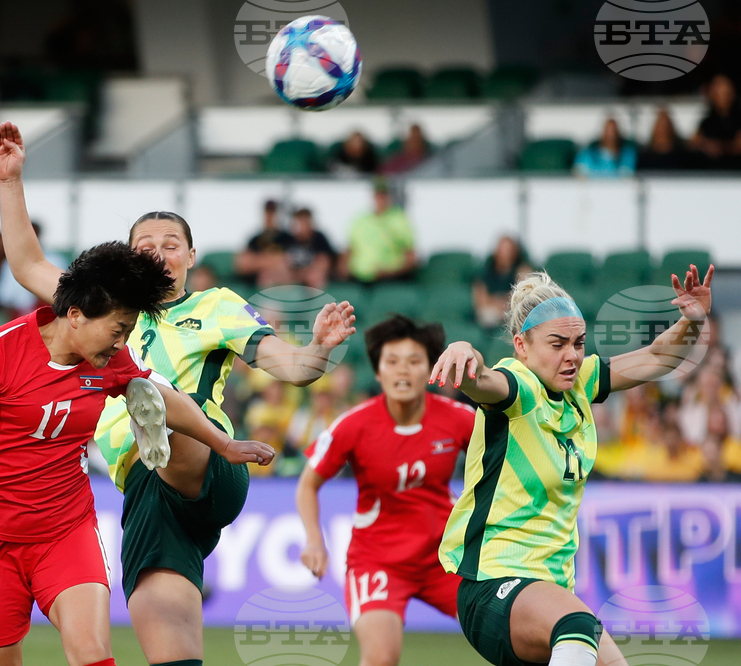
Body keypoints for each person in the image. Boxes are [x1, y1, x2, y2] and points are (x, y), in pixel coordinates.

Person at [0, 120, 355, 666]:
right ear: (129, 257)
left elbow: (293, 367)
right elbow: (25, 264)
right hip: (144, 489)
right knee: (160, 624)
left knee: (154, 404)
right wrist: (11, 179)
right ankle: (151, 417)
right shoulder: (97, 308)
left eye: (171, 245)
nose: (159, 253)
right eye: (146, 245)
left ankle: (156, 413)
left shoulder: (217, 307)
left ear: (190, 256)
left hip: (210, 464)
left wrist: (318, 351)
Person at [0, 239, 275, 666]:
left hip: (66, 530)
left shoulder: (109, 361)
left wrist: (223, 443)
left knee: (92, 653)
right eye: (118, 329)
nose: (122, 341)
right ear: (76, 315)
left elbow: (166, 397)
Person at [432, 263, 714, 666]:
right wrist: (465, 350)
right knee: (577, 624)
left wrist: (691, 320)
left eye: (579, 343)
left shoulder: (581, 382)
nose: (572, 355)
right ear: (522, 346)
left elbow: (657, 356)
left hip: (549, 588)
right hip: (493, 582)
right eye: (557, 343)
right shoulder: (518, 386)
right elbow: (482, 381)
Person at [298, 315, 475, 666]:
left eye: (414, 361)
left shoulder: (460, 418)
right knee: (380, 658)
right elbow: (308, 485)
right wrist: (314, 540)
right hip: (378, 562)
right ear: (378, 373)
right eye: (391, 362)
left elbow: (501, 465)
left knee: (510, 633)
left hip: (446, 558)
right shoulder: (354, 425)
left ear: (430, 370)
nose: (402, 371)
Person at [340, 179, 418, 283]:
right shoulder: (360, 220)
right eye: (378, 195)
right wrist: (343, 269)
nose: (380, 199)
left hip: (389, 278)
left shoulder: (400, 219)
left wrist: (391, 272)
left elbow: (410, 255)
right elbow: (350, 249)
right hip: (359, 277)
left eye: (384, 195)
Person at [689, 74, 741, 167]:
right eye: (718, 91)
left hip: (736, 168)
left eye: (725, 91)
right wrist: (707, 146)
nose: (722, 95)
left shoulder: (740, 117)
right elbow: (693, 143)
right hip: (711, 170)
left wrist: (722, 148)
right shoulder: (708, 119)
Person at [473, 235, 532, 328]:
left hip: (514, 310)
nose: (505, 253)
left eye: (508, 250)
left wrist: (503, 303)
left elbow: (525, 296)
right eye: (502, 249)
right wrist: (498, 303)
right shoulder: (486, 272)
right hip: (492, 311)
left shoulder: (522, 270)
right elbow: (481, 300)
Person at [233, 199, 294, 288]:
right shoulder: (255, 239)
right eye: (267, 213)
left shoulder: (286, 238)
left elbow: (287, 262)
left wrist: (258, 261)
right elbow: (242, 264)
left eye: (272, 213)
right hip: (256, 284)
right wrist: (271, 261)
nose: (269, 216)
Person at [287, 207, 336, 289]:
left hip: (311, 277)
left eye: (305, 221)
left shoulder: (319, 238)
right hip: (292, 276)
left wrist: (305, 273)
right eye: (299, 221)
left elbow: (325, 261)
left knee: (316, 277)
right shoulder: (288, 239)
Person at [572, 117, 637, 177]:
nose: (611, 136)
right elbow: (578, 172)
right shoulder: (588, 153)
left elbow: (627, 174)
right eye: (608, 131)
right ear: (603, 132)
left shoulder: (628, 153)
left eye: (614, 132)